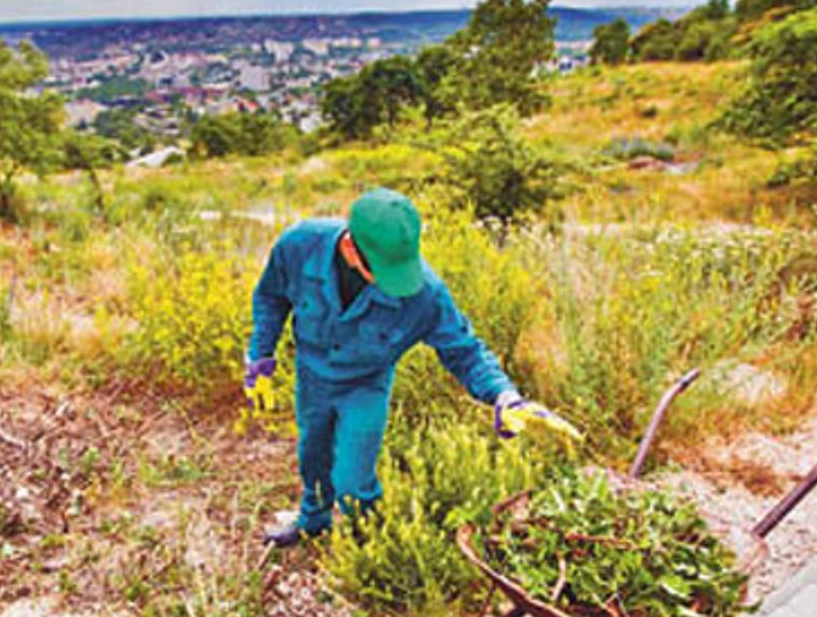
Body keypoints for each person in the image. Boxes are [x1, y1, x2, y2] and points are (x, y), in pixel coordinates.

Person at [245, 188, 578, 547]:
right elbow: (270, 297)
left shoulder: (425, 293)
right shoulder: (299, 245)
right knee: (313, 453)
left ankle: (366, 540)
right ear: (350, 248)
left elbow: (464, 349)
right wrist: (260, 356)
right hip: (312, 375)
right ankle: (313, 520)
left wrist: (505, 395)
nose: (396, 281)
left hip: (365, 384)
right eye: (383, 270)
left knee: (353, 480)